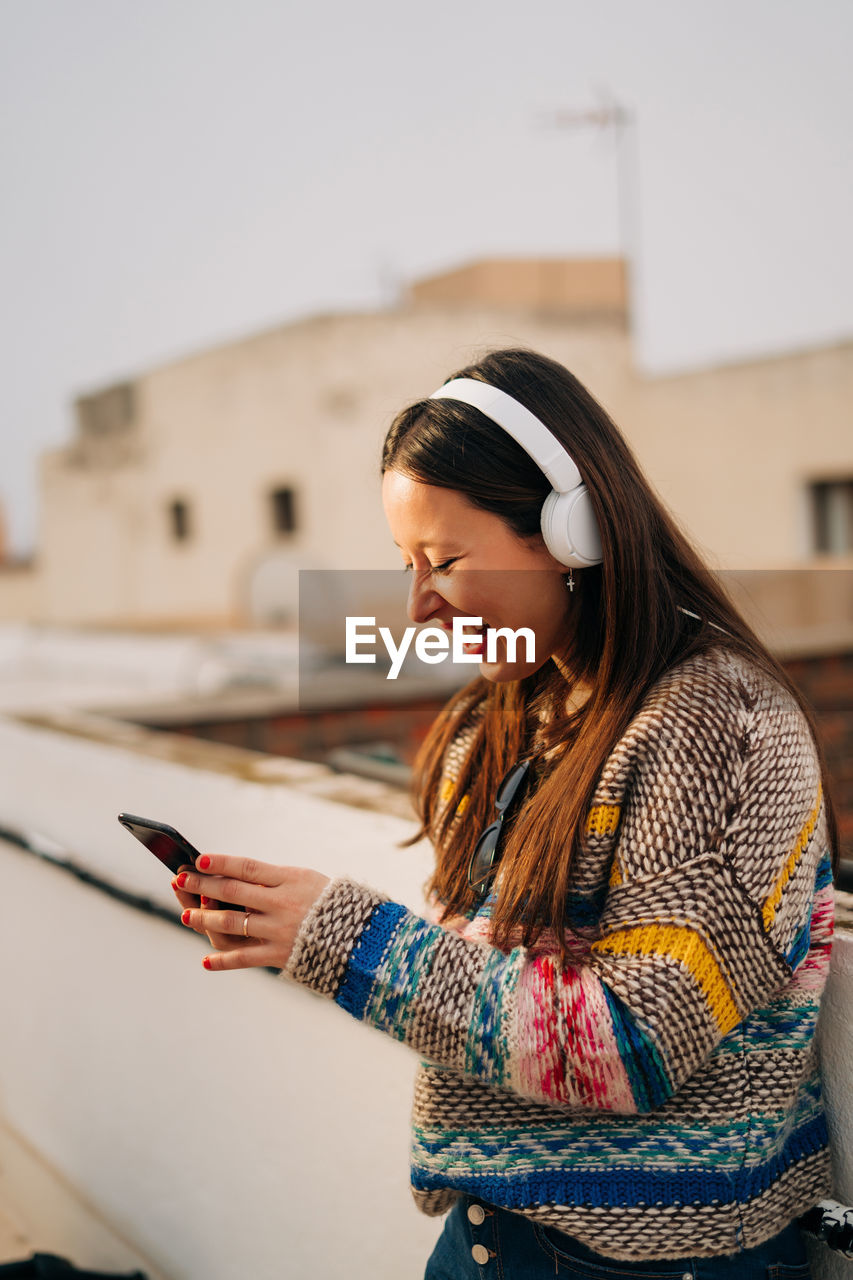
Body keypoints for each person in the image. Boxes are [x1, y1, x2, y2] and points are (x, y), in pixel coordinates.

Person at [171, 348, 837, 1278]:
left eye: (443, 561)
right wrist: (294, 934)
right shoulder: (491, 725)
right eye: (406, 565)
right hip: (490, 1235)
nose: (417, 606)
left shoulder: (716, 722)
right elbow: (486, 982)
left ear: (574, 531)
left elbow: (632, 1040)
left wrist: (341, 939)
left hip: (659, 1257)